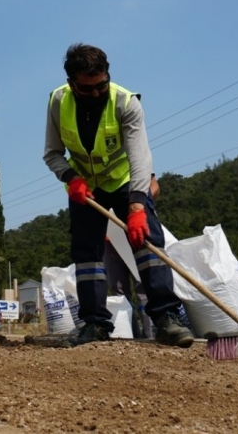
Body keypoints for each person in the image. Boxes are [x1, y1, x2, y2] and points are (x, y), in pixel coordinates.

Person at [43, 44, 193, 348]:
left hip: (125, 182)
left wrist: (138, 205)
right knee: (87, 256)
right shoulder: (58, 101)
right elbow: (53, 153)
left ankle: (166, 318)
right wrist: (71, 178)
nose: (97, 94)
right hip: (85, 187)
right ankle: (95, 325)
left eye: (102, 85)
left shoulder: (126, 103)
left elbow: (140, 157)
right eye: (88, 89)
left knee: (148, 243)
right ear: (72, 84)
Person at [104, 175, 160, 339]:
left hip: (137, 230)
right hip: (110, 240)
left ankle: (150, 335)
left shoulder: (132, 162)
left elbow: (154, 186)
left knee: (143, 284)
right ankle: (129, 337)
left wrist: (138, 204)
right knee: (119, 290)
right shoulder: (93, 173)